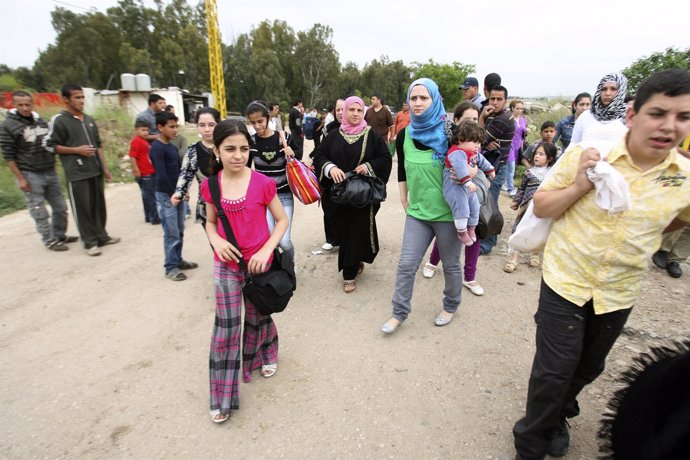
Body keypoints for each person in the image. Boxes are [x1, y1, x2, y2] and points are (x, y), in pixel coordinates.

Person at [512, 69, 690, 460]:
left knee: (588, 367)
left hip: (618, 290)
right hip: (566, 280)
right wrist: (579, 185)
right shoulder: (586, 156)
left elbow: (678, 219)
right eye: (658, 113)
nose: (669, 126)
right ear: (632, 114)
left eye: (683, 117)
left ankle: (559, 413)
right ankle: (531, 441)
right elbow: (541, 204)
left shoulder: (685, 177)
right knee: (553, 370)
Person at [200, 119, 288, 424]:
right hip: (225, 267)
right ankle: (222, 396)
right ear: (216, 150)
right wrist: (215, 241)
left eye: (243, 148)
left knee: (258, 316)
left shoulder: (263, 183)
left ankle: (267, 354)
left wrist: (266, 251)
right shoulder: (209, 185)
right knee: (225, 330)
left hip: (259, 266)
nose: (237, 155)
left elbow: (281, 221)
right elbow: (210, 223)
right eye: (230, 149)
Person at [382, 78, 462, 334]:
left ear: (435, 100)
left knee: (450, 266)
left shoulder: (449, 133)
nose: (417, 103)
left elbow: (468, 162)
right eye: (413, 98)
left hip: (448, 214)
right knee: (406, 265)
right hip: (418, 213)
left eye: (423, 98)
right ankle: (399, 313)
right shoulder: (405, 133)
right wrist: (404, 199)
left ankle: (450, 306)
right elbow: (403, 169)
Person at [313, 96, 392, 293]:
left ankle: (349, 273)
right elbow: (320, 156)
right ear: (344, 112)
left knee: (358, 231)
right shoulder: (333, 135)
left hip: (362, 196)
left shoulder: (371, 135)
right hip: (339, 195)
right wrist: (330, 168)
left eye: (359, 110)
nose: (355, 114)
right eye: (351, 110)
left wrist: (368, 166)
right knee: (344, 232)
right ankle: (353, 261)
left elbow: (384, 158)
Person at [45, 83, 119, 256]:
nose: (81, 101)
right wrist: (76, 150)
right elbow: (49, 145)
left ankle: (102, 236)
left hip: (95, 170)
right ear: (66, 100)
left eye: (82, 97)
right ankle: (89, 242)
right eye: (77, 97)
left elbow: (98, 145)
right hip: (77, 173)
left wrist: (105, 167)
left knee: (98, 206)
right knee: (83, 208)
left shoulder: (88, 119)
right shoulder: (60, 120)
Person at [423, 102, 487, 296]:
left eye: (476, 119)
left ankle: (470, 277)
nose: (473, 123)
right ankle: (433, 262)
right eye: (468, 119)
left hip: (476, 192)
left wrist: (476, 171)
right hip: (456, 192)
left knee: (474, 235)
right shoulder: (450, 143)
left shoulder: (475, 142)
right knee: (447, 234)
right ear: (457, 121)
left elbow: (481, 164)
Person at [0, 90, 77, 251]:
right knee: (39, 210)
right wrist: (20, 178)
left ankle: (59, 235)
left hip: (49, 170)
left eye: (28, 104)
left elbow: (50, 144)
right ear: (13, 105)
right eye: (21, 105)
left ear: (32, 104)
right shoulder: (8, 126)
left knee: (61, 207)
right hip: (30, 173)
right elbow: (8, 155)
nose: (25, 108)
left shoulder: (40, 121)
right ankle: (49, 240)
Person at [149, 111, 197, 281]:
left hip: (176, 194)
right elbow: (161, 175)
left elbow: (179, 171)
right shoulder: (157, 148)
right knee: (171, 233)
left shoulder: (170, 146)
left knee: (179, 230)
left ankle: (178, 260)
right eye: (171, 126)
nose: (175, 129)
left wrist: (184, 191)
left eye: (176, 126)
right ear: (160, 127)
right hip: (166, 196)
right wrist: (175, 194)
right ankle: (170, 267)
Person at [246, 100, 296, 261]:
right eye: (253, 123)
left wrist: (292, 153)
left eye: (260, 121)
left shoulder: (284, 138)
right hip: (263, 199)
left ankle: (290, 263)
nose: (257, 126)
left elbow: (298, 162)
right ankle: (275, 268)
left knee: (284, 241)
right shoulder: (250, 142)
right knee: (268, 237)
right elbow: (245, 169)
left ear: (268, 118)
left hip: (284, 196)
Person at [504, 142, 557, 273]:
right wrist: (516, 201)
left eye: (541, 154)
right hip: (527, 208)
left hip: (542, 210)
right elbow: (522, 188)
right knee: (520, 229)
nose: (537, 156)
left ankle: (535, 254)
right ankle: (514, 258)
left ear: (550, 158)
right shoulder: (529, 173)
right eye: (536, 154)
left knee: (538, 230)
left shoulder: (552, 174)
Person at [442, 121, 495, 245]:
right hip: (455, 185)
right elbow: (460, 169)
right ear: (461, 139)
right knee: (462, 207)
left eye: (479, 142)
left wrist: (490, 169)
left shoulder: (472, 152)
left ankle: (471, 228)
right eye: (474, 142)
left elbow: (482, 160)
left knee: (475, 206)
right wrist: (467, 182)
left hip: (467, 186)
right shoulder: (456, 152)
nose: (478, 145)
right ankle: (462, 231)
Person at [478, 84, 515, 255]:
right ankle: (483, 238)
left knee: (490, 204)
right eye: (492, 98)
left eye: (499, 99)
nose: (495, 102)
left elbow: (478, 136)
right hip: (489, 164)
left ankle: (487, 243)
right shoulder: (493, 116)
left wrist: (481, 121)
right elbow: (483, 140)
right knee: (485, 202)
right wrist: (485, 141)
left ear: (505, 101)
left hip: (498, 167)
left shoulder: (503, 118)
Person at [172, 107, 220, 226]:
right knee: (215, 243)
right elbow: (185, 174)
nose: (207, 129)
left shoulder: (229, 146)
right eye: (202, 125)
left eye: (211, 124)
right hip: (206, 205)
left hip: (233, 203)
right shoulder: (193, 151)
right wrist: (179, 193)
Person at [570, 73, 628, 154]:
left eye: (613, 89)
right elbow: (573, 147)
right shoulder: (586, 116)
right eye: (604, 89)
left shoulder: (629, 117)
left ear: (621, 91)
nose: (607, 93)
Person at [320, 98, 345, 251]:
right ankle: (331, 238)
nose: (341, 113)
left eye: (344, 109)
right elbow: (321, 151)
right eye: (338, 110)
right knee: (329, 208)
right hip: (331, 176)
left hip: (349, 177)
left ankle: (346, 239)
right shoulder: (329, 128)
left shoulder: (361, 129)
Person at [129, 119, 160, 225]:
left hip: (149, 171)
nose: (146, 132)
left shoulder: (143, 141)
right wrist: (136, 170)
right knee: (150, 196)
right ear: (136, 130)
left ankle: (149, 216)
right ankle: (155, 218)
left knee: (147, 196)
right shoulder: (136, 141)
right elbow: (132, 157)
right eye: (143, 130)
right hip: (145, 173)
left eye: (147, 130)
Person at [506, 99, 529, 196]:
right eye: (517, 108)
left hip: (519, 145)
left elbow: (523, 134)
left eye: (521, 108)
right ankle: (511, 189)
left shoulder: (523, 119)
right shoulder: (508, 119)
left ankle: (504, 183)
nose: (519, 110)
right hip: (509, 145)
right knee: (511, 166)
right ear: (512, 108)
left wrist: (527, 132)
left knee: (512, 166)